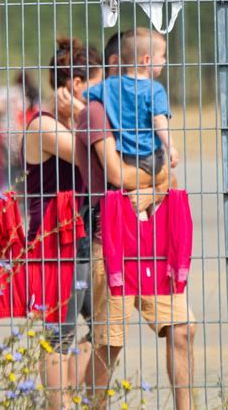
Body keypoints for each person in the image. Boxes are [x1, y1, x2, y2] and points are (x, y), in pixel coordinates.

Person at [76, 30, 194, 410]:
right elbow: (118, 175)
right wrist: (155, 181)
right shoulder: (95, 112)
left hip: (149, 240)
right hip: (107, 240)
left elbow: (168, 179)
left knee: (183, 329)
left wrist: (155, 184)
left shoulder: (142, 105)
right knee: (109, 343)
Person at [20, 38, 104, 407]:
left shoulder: (82, 122)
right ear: (76, 85)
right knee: (58, 333)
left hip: (83, 238)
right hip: (53, 243)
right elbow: (91, 152)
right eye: (98, 85)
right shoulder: (44, 127)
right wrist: (89, 113)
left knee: (92, 328)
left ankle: (79, 400)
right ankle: (59, 404)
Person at [83, 29, 178, 175]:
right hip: (149, 157)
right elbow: (159, 120)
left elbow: (86, 96)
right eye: (162, 56)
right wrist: (170, 146)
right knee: (160, 179)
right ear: (147, 60)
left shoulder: (109, 86)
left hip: (123, 156)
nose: (165, 61)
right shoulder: (155, 89)